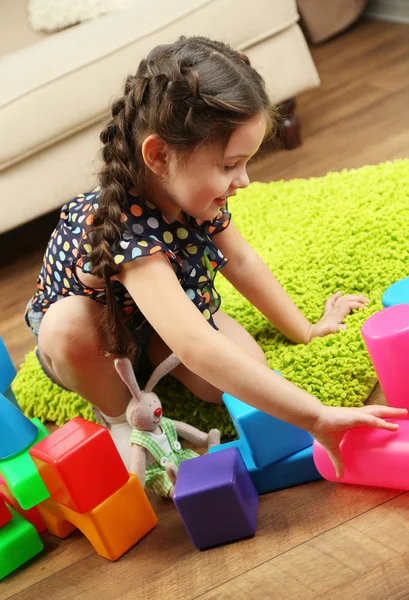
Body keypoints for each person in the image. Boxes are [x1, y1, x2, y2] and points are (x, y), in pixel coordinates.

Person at [25, 36, 405, 475]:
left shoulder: (197, 197)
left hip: (157, 321)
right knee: (69, 326)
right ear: (159, 156)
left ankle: (156, 364)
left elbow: (242, 263)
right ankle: (117, 415)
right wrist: (314, 415)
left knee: (243, 374)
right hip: (96, 336)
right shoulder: (126, 231)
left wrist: (303, 328)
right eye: (229, 166)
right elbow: (196, 344)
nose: (242, 181)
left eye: (245, 163)